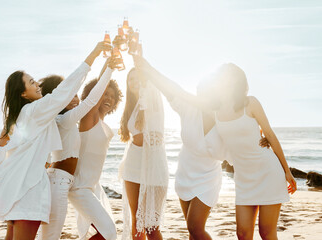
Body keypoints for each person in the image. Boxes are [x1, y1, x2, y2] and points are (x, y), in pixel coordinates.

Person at [133, 55, 271, 240]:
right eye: (198, 90)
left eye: (204, 91)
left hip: (208, 179)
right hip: (184, 175)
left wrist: (264, 147)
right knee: (193, 233)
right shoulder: (187, 108)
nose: (199, 95)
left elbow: (245, 151)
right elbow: (168, 87)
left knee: (195, 227)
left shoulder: (225, 120)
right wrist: (147, 67)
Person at [0, 42, 111, 240]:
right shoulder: (33, 112)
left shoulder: (27, 118)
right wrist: (95, 55)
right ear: (23, 93)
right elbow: (63, 93)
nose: (37, 84)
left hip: (23, 191)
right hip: (30, 192)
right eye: (31, 83)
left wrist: (8, 183)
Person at [213, 63, 297, 240]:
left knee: (266, 232)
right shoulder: (214, 110)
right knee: (242, 234)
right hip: (244, 179)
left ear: (237, 80)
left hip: (268, 173)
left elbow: (270, 135)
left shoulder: (250, 102)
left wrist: (287, 171)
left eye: (228, 75)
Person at [37, 57, 119, 239]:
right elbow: (91, 100)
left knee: (53, 235)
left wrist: (109, 66)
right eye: (69, 94)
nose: (74, 97)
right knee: (108, 232)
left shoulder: (68, 122)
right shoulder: (65, 120)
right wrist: (109, 67)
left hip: (73, 183)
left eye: (74, 93)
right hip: (66, 182)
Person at [68, 71, 123, 240]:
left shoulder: (102, 123)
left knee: (100, 232)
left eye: (112, 96)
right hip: (80, 187)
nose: (108, 98)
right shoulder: (88, 118)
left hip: (93, 187)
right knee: (109, 233)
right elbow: (98, 90)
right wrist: (110, 66)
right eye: (105, 93)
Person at [118, 67, 168, 240]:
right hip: (133, 164)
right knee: (136, 220)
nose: (135, 82)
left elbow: (149, 78)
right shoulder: (132, 107)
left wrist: (136, 55)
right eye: (130, 79)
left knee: (151, 226)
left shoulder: (153, 99)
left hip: (154, 165)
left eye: (138, 78)